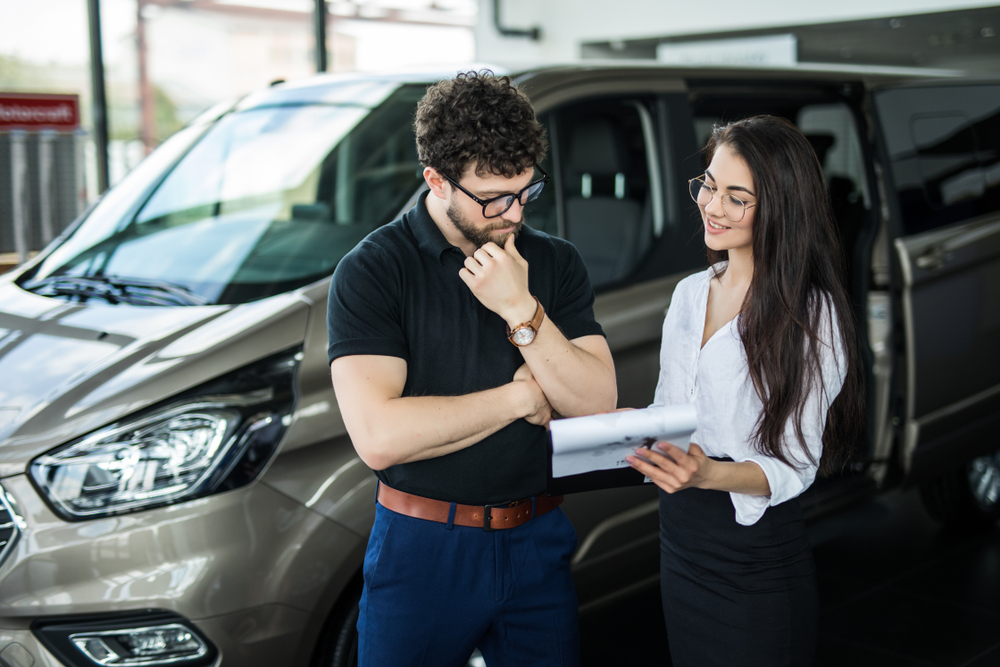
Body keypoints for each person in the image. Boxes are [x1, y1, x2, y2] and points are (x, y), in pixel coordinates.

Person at [327, 71, 617, 667]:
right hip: (424, 547)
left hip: (537, 537)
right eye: (493, 198)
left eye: (526, 191)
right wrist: (517, 401)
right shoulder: (373, 271)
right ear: (435, 179)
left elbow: (595, 403)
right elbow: (380, 438)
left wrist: (520, 307)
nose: (513, 213)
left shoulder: (555, 262)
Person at [626, 115, 865, 666]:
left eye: (737, 198)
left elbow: (795, 464)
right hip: (681, 542)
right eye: (709, 185)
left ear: (779, 207)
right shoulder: (689, 294)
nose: (711, 206)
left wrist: (706, 473)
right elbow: (673, 413)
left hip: (754, 563)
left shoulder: (810, 315)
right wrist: (631, 429)